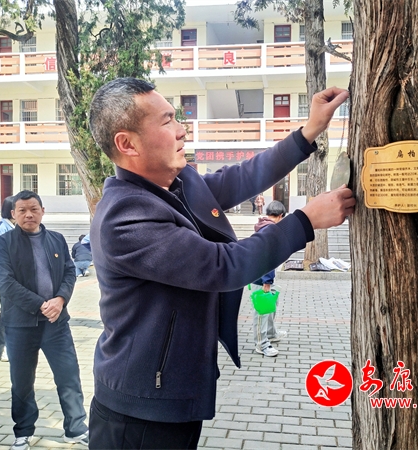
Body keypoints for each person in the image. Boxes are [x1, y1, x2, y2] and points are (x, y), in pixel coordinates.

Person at [87, 77, 355, 449]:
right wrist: (305, 221)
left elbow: (241, 178)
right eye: (166, 121)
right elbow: (222, 266)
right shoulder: (125, 217)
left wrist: (308, 132)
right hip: (140, 411)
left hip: (172, 392)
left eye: (176, 117)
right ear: (127, 144)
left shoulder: (176, 185)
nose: (181, 130)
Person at [0, 190, 89, 450]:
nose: (28, 215)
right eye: (22, 210)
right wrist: (40, 305)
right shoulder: (4, 243)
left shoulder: (56, 239)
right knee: (22, 382)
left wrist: (61, 299)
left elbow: (69, 272)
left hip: (57, 323)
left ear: (43, 211)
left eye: (33, 209)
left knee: (68, 377)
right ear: (13, 214)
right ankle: (23, 432)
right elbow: (3, 281)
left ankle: (76, 429)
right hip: (20, 325)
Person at [252, 200, 288, 357]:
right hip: (262, 278)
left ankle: (271, 333)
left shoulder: (263, 226)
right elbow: (267, 257)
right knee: (262, 311)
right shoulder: (270, 230)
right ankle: (261, 343)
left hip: (263, 276)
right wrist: (266, 281)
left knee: (271, 305)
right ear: (280, 216)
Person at [0, 195, 16, 362]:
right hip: (5, 278)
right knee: (7, 313)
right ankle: (1, 350)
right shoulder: (3, 228)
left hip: (14, 277)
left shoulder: (12, 227)